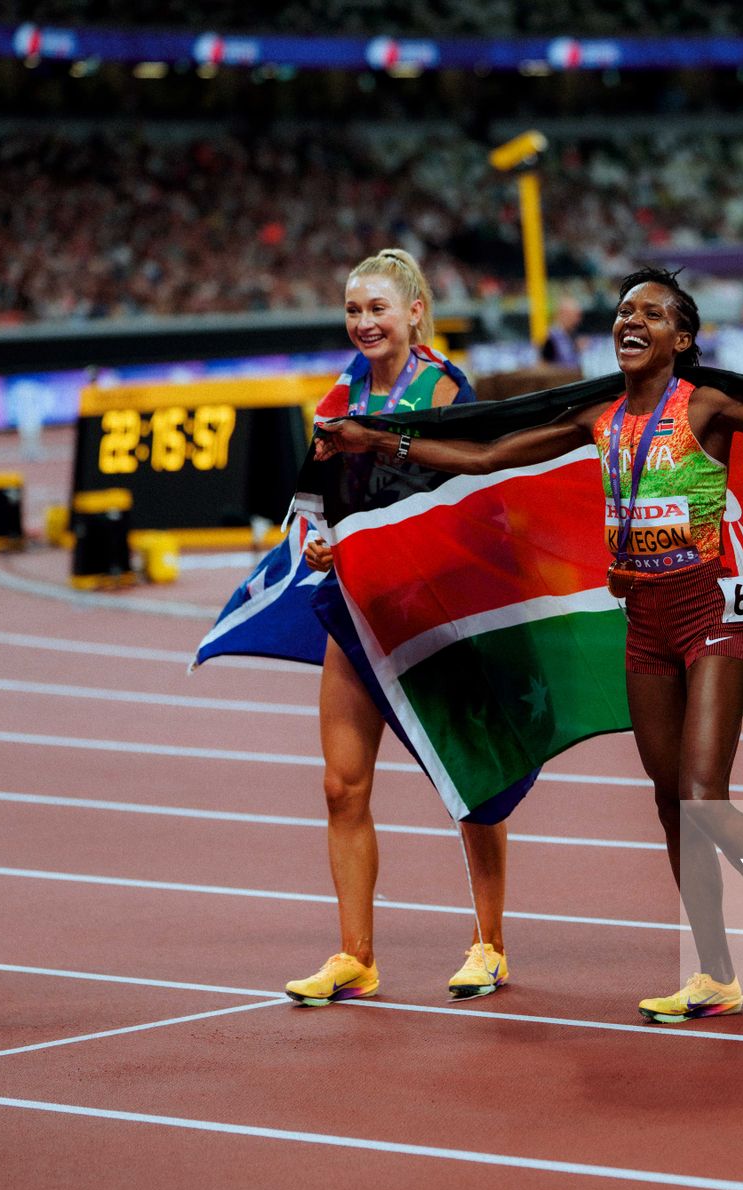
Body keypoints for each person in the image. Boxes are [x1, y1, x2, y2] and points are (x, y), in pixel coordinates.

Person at [316, 267, 743, 1024]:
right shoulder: (599, 417)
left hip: (709, 611)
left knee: (704, 792)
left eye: (651, 312)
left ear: (681, 339)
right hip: (643, 622)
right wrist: (378, 438)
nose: (630, 320)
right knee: (670, 801)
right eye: (622, 312)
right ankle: (714, 972)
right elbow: (488, 457)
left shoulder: (704, 404)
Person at [284, 249, 517, 1008]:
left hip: (436, 612)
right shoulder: (333, 401)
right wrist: (313, 544)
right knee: (339, 786)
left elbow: (477, 489)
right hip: (357, 610)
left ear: (415, 312)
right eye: (354, 311)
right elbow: (308, 508)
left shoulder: (444, 389)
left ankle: (489, 945)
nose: (364, 323)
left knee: (470, 782)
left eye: (377, 309)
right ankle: (357, 957)